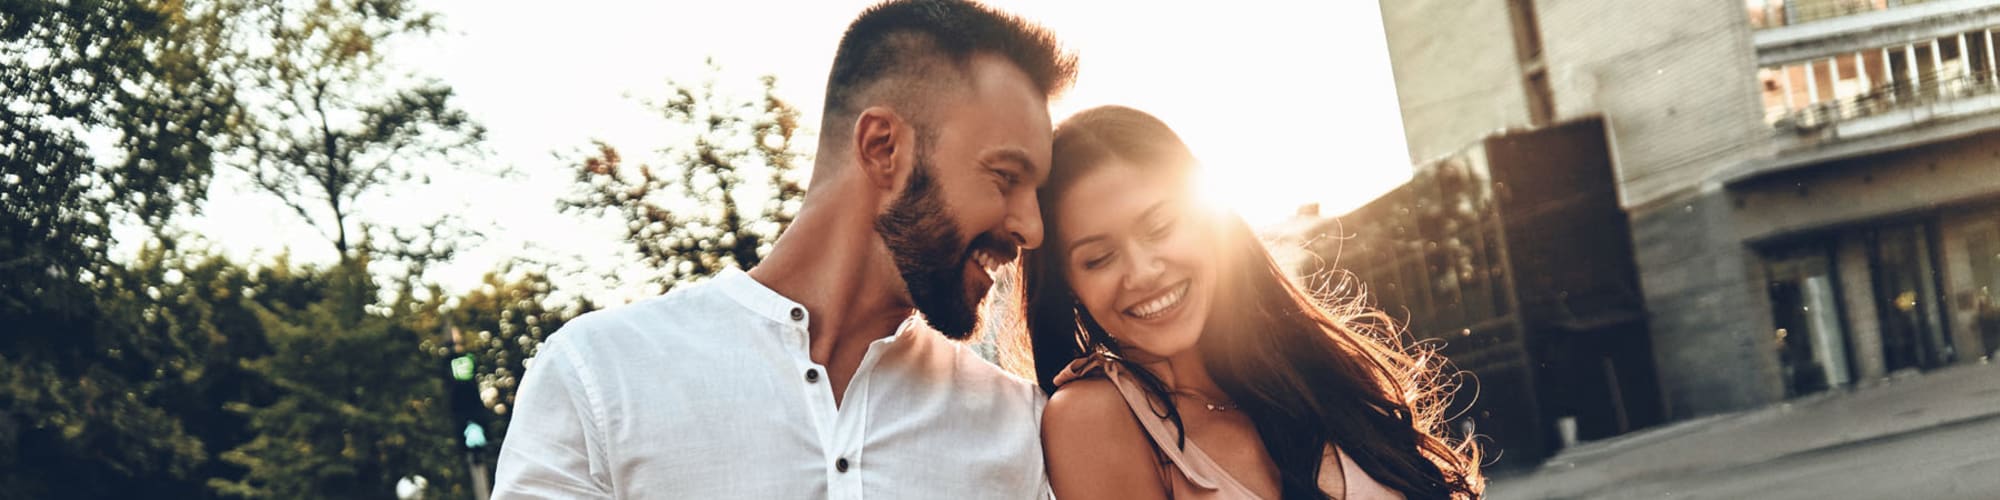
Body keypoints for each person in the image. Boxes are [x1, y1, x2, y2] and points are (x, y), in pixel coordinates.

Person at [493, 1, 1075, 497]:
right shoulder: (597, 375)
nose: (1032, 227)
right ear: (882, 148)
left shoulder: (1016, 423)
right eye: (1005, 177)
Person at [1022, 106, 1484, 499]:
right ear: (1068, 285)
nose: (1142, 273)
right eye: (1099, 258)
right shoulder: (1093, 418)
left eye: (1161, 227)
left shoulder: (1308, 369)